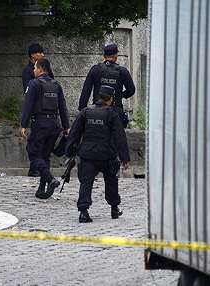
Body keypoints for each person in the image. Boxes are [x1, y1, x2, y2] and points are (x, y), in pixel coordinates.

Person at [66, 85, 130, 223]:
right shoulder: (111, 114)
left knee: (86, 182)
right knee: (111, 180)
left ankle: (83, 212)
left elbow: (74, 133)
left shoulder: (85, 112)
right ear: (111, 99)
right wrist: (125, 158)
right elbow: (120, 137)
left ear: (98, 97)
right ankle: (114, 209)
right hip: (107, 154)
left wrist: (69, 151)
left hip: (88, 154)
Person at [21, 58, 70, 199]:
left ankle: (50, 180)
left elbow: (28, 106)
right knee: (45, 156)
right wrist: (66, 126)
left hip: (40, 124)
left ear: (41, 69)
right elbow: (63, 107)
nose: (34, 70)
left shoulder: (34, 83)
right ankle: (42, 189)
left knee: (33, 153)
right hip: (54, 124)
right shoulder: (56, 85)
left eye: (35, 68)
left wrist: (24, 125)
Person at [78, 44, 136, 127]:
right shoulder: (123, 71)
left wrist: (82, 110)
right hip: (116, 110)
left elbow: (86, 91)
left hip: (97, 111)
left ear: (103, 55)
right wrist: (120, 95)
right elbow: (131, 90)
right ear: (116, 55)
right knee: (116, 137)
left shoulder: (95, 69)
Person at [22, 43, 55, 177]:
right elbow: (27, 93)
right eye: (40, 52)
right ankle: (34, 169)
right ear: (33, 55)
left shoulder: (46, 71)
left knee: (43, 146)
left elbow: (51, 83)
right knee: (35, 143)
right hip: (37, 110)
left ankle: (42, 171)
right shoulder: (28, 71)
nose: (42, 54)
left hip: (47, 109)